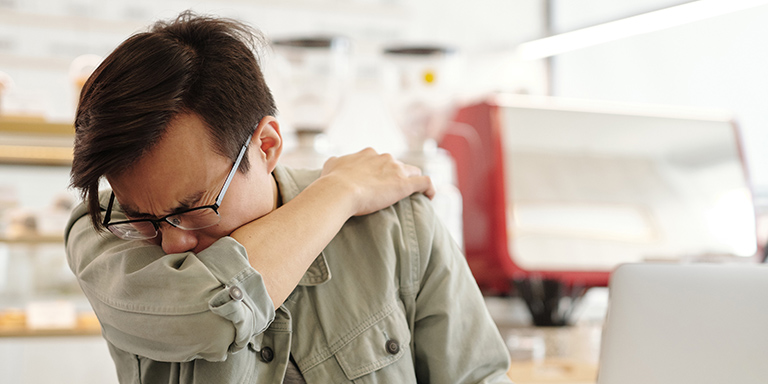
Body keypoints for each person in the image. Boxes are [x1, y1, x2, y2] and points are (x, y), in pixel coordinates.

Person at [65, 11, 513, 384]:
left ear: (265, 146)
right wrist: (339, 192)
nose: (171, 244)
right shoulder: (101, 233)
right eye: (144, 217)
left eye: (191, 209)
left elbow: (478, 376)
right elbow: (205, 313)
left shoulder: (399, 225)